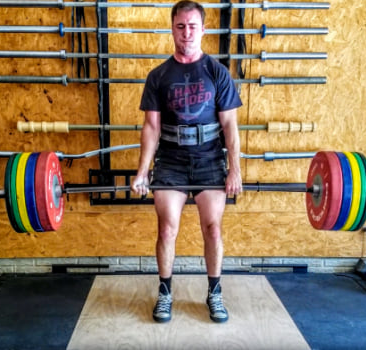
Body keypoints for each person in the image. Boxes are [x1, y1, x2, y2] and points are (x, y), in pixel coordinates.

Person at [130, 0, 243, 324]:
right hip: (171, 161)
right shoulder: (159, 75)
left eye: (193, 26)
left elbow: (230, 126)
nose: (187, 32)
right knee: (167, 229)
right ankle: (165, 293)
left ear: (203, 29)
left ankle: (214, 292)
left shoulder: (217, 73)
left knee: (213, 227)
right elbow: (151, 127)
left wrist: (234, 170)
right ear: (172, 29)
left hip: (209, 159)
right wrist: (142, 171)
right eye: (181, 26)